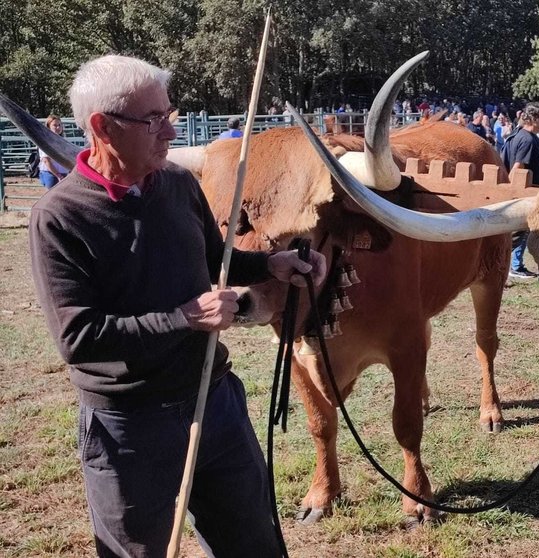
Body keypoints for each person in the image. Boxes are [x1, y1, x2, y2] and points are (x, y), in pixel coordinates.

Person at [29, 55, 328, 557]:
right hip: (128, 427)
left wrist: (271, 264)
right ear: (102, 127)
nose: (170, 131)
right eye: (153, 120)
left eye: (169, 113)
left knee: (255, 545)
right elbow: (78, 339)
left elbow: (214, 259)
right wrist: (185, 318)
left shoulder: (178, 185)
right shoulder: (60, 218)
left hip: (215, 401)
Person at [501, 102, 539, 279]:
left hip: (530, 191)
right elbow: (517, 168)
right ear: (534, 119)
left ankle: (515, 265)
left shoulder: (519, 135)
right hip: (525, 192)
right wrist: (512, 195)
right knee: (520, 230)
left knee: (524, 230)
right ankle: (511, 266)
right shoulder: (527, 139)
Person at [38, 115, 70, 189]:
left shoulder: (63, 141)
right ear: (48, 127)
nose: (58, 127)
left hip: (63, 173)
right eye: (55, 125)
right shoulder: (45, 141)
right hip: (51, 173)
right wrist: (58, 175)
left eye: (59, 125)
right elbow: (46, 160)